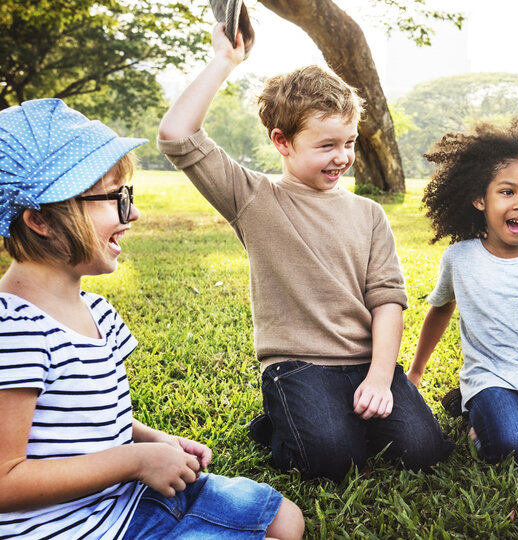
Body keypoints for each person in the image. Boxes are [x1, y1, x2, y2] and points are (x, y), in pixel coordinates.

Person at [156, 24, 453, 482]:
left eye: (349, 142)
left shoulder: (370, 213)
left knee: (424, 451)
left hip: (365, 361)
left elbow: (387, 302)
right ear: (282, 142)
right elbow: (177, 135)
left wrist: (378, 377)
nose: (342, 157)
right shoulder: (253, 198)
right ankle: (279, 422)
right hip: (297, 366)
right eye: (327, 145)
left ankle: (338, 418)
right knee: (332, 462)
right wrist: (225, 61)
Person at [0, 98, 304, 539]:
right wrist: (135, 461)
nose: (134, 214)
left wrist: (152, 441)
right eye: (115, 198)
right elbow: (6, 480)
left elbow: (96, 421)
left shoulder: (96, 310)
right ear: (41, 219)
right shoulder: (15, 330)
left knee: (285, 520)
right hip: (72, 527)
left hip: (125, 496)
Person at [406, 119, 518, 467]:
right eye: (508, 192)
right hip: (488, 376)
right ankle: (475, 417)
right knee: (514, 447)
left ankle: (481, 409)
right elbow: (441, 308)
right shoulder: (459, 257)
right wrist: (416, 372)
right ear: (479, 198)